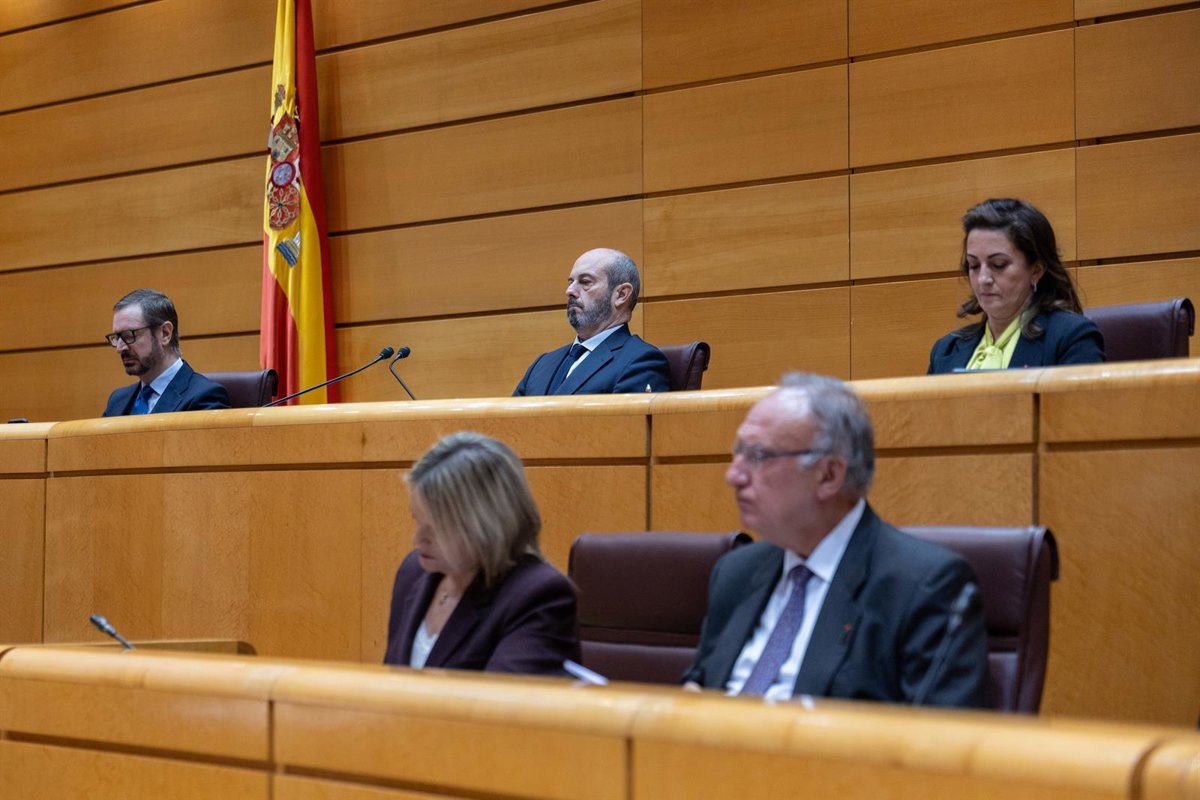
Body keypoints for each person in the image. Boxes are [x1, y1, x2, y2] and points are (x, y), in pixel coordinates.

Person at [683, 373, 989, 707]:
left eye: (758, 456)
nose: (733, 475)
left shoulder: (923, 586)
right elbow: (700, 683)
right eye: (738, 453)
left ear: (828, 475)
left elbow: (934, 733)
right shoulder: (736, 572)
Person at [384, 432, 580, 674]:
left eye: (436, 529)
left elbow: (501, 696)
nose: (417, 540)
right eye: (417, 520)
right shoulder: (413, 572)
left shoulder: (538, 595)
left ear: (486, 525)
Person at [927, 198, 1105, 373]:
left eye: (998, 265)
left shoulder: (1070, 337)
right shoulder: (945, 350)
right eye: (974, 265)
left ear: (1036, 270)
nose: (983, 279)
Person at [514, 248, 672, 396]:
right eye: (571, 282)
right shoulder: (542, 364)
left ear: (621, 295)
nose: (569, 291)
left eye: (585, 282)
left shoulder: (641, 361)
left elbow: (621, 419)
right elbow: (507, 416)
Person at [102, 288, 230, 416]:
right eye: (117, 337)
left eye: (129, 335)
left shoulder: (205, 397)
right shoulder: (117, 401)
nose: (120, 348)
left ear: (165, 333)